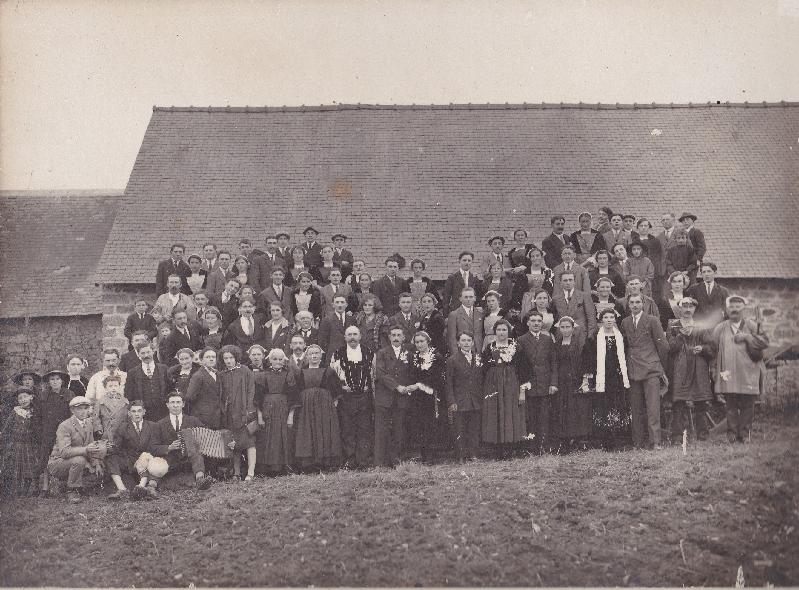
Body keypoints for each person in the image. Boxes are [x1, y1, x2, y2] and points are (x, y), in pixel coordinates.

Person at [711, 295, 769, 443]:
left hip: (748, 373)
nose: (734, 310)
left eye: (738, 307)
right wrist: (714, 369)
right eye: (731, 307)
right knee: (730, 406)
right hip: (728, 373)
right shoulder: (721, 328)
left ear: (743, 309)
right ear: (727, 309)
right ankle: (732, 435)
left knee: (748, 405)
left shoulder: (752, 325)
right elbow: (712, 348)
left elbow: (765, 343)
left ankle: (744, 434)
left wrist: (748, 337)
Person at [620, 293, 669, 449]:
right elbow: (625, 346)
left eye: (638, 302)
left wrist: (661, 368)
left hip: (651, 369)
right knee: (636, 408)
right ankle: (638, 442)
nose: (635, 305)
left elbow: (663, 346)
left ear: (643, 304)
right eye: (632, 302)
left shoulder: (652, 320)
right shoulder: (625, 322)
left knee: (653, 408)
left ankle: (656, 442)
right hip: (633, 369)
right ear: (628, 305)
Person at [666, 297, 715, 443]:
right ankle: (677, 436)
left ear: (694, 309)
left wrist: (703, 348)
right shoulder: (673, 327)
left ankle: (703, 434)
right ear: (679, 309)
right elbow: (670, 348)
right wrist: (681, 336)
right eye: (684, 306)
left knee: (701, 402)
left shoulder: (702, 326)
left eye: (690, 307)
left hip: (698, 366)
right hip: (680, 368)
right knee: (679, 402)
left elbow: (712, 347)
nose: (687, 310)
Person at [583, 309, 631, 450]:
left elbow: (625, 356)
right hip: (602, 377)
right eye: (606, 317)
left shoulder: (621, 337)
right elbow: (589, 359)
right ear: (601, 320)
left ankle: (619, 439)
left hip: (617, 376)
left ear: (615, 320)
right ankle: (606, 441)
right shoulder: (594, 338)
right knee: (604, 406)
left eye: (611, 317)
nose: (609, 320)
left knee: (617, 406)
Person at [328, 326, 375, 469]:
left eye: (355, 334)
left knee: (364, 428)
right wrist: (341, 389)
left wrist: (370, 390)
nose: (352, 337)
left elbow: (374, 375)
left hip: (364, 397)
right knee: (347, 428)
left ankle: (363, 461)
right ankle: (350, 460)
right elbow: (332, 376)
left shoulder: (369, 353)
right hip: (346, 397)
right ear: (345, 337)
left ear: (360, 336)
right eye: (349, 335)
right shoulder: (337, 354)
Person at [46, 396, 107, 503]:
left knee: (100, 459)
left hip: (76, 460)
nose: (83, 411)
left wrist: (96, 463)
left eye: (85, 408)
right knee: (80, 460)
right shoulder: (65, 426)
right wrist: (86, 450)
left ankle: (72, 485)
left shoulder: (88, 423)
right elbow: (64, 452)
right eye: (79, 408)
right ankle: (72, 490)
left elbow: (91, 444)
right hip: (58, 462)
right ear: (72, 410)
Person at [293, 344, 343, 471]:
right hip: (306, 407)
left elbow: (336, 390)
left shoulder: (329, 371)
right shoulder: (300, 372)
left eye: (316, 353)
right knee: (308, 430)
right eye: (311, 354)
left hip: (324, 406)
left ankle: (325, 462)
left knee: (324, 430)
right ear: (307, 356)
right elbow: (297, 390)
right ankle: (309, 464)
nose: (314, 356)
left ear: (321, 356)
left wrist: (333, 403)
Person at [104, 399, 166, 500]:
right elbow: (118, 447)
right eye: (133, 411)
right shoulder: (123, 427)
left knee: (156, 459)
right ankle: (122, 490)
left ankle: (150, 488)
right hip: (130, 460)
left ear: (144, 412)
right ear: (129, 413)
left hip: (146, 459)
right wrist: (108, 448)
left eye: (139, 411)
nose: (136, 414)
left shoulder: (153, 426)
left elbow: (154, 447)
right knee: (111, 457)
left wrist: (144, 457)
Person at [151, 393, 215, 490]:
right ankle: (151, 488)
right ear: (167, 405)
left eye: (178, 402)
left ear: (183, 404)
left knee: (197, 454)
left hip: (189, 459)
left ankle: (200, 480)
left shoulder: (193, 420)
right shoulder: (159, 424)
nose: (175, 405)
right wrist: (168, 447)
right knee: (158, 462)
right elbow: (153, 447)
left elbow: (207, 436)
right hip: (170, 459)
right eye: (172, 402)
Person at [481, 320, 525, 456]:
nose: (501, 333)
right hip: (493, 383)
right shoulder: (489, 347)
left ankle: (510, 447)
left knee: (510, 411)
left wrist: (522, 391)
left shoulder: (516, 346)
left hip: (511, 383)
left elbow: (523, 370)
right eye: (499, 330)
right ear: (495, 332)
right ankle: (498, 448)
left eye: (504, 330)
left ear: (509, 331)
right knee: (496, 411)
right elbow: (484, 367)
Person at [373, 326, 414, 468]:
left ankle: (396, 461)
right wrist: (397, 386)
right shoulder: (382, 353)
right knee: (381, 430)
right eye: (393, 335)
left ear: (403, 338)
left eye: (399, 335)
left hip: (402, 398)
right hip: (385, 396)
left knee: (399, 430)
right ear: (389, 337)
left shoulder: (409, 353)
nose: (396, 338)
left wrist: (409, 387)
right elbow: (381, 373)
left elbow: (411, 373)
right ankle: (379, 462)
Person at [517, 311, 558, 451]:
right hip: (529, 384)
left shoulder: (547, 340)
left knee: (544, 417)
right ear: (528, 323)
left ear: (542, 323)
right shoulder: (521, 340)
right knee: (531, 417)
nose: (536, 323)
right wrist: (522, 386)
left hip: (544, 384)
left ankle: (544, 446)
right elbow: (520, 367)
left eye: (539, 321)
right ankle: (531, 446)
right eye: (533, 320)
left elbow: (553, 363)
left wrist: (553, 383)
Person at [255, 348, 298, 475]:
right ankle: (267, 469)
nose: (278, 362)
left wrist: (290, 416)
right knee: (267, 437)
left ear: (284, 361)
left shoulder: (289, 374)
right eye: (275, 359)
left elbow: (293, 397)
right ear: (269, 360)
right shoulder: (262, 375)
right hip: (267, 409)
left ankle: (285, 467)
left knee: (283, 436)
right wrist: (260, 416)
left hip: (283, 409)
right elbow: (258, 398)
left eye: (280, 359)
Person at [218, 345, 257, 481]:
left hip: (244, 411)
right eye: (226, 358)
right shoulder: (222, 374)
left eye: (231, 358)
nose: (228, 361)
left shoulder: (245, 371)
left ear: (236, 358)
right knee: (233, 442)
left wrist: (249, 409)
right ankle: (236, 472)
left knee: (249, 441)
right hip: (229, 413)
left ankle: (251, 472)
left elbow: (251, 390)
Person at [34, 370, 74, 496]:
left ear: (62, 381)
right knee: (46, 458)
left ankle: (66, 485)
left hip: (65, 432)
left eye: (57, 379)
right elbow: (38, 416)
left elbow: (73, 414)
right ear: (48, 382)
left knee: (65, 455)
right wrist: (40, 431)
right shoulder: (43, 395)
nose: (55, 382)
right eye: (52, 379)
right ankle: (45, 488)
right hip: (48, 431)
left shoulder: (69, 394)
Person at [553, 317, 592, 448]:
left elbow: (586, 361)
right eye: (562, 327)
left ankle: (579, 438)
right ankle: (565, 437)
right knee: (563, 407)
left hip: (575, 379)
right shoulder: (557, 344)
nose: (565, 330)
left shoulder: (580, 343)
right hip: (562, 380)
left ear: (573, 328)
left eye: (567, 327)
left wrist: (584, 379)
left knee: (577, 408)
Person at [407, 331, 445, 462]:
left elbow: (436, 377)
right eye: (417, 342)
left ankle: (432, 455)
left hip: (431, 394)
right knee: (420, 423)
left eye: (422, 341)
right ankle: (423, 454)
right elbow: (411, 375)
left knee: (431, 423)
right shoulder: (414, 357)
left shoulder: (436, 357)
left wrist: (419, 385)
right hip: (417, 396)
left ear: (428, 341)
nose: (419, 344)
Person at [445, 333, 483, 462]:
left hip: (475, 399)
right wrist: (451, 401)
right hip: (459, 400)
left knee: (474, 428)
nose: (466, 343)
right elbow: (449, 383)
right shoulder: (453, 360)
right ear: (458, 343)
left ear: (473, 342)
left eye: (469, 340)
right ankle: (460, 455)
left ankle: (473, 454)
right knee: (459, 429)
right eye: (463, 340)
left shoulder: (478, 357)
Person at [0, 388, 39, 497]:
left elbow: (37, 428)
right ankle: (17, 490)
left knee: (28, 467)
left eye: (25, 397)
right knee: (16, 467)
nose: (23, 400)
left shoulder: (34, 412)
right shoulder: (15, 411)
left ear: (31, 397)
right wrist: (3, 437)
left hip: (29, 445)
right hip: (15, 444)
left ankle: (26, 490)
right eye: (20, 398)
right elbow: (7, 427)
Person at [124, 341, 171, 422]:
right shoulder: (132, 372)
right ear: (138, 355)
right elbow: (129, 394)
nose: (146, 355)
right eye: (142, 353)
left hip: (163, 411)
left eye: (148, 352)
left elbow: (170, 388)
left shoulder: (163, 369)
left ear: (153, 352)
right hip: (144, 414)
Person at [552, 271, 597, 346]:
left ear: (574, 282)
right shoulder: (556, 299)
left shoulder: (584, 296)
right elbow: (555, 319)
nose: (568, 282)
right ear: (560, 282)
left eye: (570, 280)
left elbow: (591, 317)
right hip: (562, 336)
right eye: (565, 280)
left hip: (581, 335)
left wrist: (590, 336)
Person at [184, 348, 223, 429]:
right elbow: (189, 397)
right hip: (203, 418)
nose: (211, 359)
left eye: (213, 357)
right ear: (202, 360)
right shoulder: (198, 376)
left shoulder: (217, 374)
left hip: (217, 416)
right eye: (208, 357)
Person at [687, 262, 729, 328]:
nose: (706, 274)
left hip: (717, 327)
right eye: (704, 272)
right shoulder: (693, 289)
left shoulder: (723, 291)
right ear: (701, 274)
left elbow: (727, 312)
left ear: (715, 273)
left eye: (709, 271)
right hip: (699, 327)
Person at [319, 295, 358, 365]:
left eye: (342, 302)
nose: (340, 305)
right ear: (333, 305)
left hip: (350, 356)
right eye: (337, 302)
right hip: (333, 358)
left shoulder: (352, 319)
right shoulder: (327, 320)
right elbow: (322, 342)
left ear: (346, 305)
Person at [442, 251, 481, 316]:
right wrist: (446, 315)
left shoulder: (475, 278)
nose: (467, 262)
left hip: (471, 312)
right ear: (459, 261)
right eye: (464, 260)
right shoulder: (452, 278)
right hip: (456, 311)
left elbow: (479, 295)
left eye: (469, 260)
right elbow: (446, 297)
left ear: (472, 262)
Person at [447, 287, 485, 354]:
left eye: (471, 297)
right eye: (466, 297)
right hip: (462, 352)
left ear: (475, 298)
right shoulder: (454, 315)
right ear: (460, 299)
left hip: (479, 351)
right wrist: (456, 356)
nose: (468, 299)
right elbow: (452, 339)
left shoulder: (480, 313)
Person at [93, 374, 129, 443]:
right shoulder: (100, 402)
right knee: (108, 446)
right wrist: (98, 429)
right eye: (110, 386)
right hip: (107, 430)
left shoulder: (125, 402)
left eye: (116, 386)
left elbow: (128, 417)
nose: (113, 388)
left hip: (121, 431)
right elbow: (96, 417)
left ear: (119, 387)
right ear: (105, 388)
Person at [635, 218, 665, 299]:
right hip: (638, 273)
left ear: (649, 227)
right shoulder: (634, 242)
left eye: (646, 225)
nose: (643, 227)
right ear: (637, 228)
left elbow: (660, 257)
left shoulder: (655, 241)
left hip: (653, 274)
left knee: (654, 295)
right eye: (641, 226)